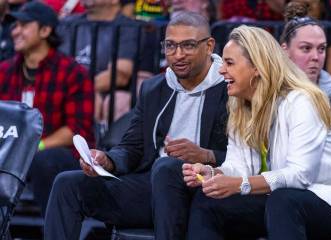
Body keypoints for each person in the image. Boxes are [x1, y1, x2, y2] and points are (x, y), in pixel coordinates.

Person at [44, 11, 228, 239]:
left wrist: (204, 155)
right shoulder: (154, 88)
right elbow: (133, 147)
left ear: (209, 46)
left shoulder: (230, 88)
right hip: (152, 186)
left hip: (206, 186)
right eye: (170, 46)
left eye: (188, 46)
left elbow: (246, 157)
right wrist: (107, 160)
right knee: (68, 184)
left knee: (167, 168)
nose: (178, 55)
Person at [183, 25, 331, 240]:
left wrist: (240, 184)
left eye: (229, 63)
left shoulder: (302, 101)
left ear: (257, 67)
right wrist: (213, 174)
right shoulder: (241, 106)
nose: (221, 70)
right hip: (285, 199)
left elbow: (300, 175)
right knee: (208, 201)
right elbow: (238, 167)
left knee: (283, 200)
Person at [0, 1, 95, 216]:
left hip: (56, 156)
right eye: (14, 26)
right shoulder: (4, 71)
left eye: (24, 25)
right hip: (8, 155)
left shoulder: (72, 72)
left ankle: (53, 229)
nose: (15, 31)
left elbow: (76, 130)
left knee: (45, 160)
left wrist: (36, 147)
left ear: (45, 30)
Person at [58, 0, 140, 126]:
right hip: (65, 87)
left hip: (100, 92)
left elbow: (120, 75)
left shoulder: (128, 27)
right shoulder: (66, 23)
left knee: (98, 101)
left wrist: (82, 89)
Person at [280, 1, 331, 121]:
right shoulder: (264, 91)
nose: (316, 57)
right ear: (285, 50)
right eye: (306, 48)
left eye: (321, 48)